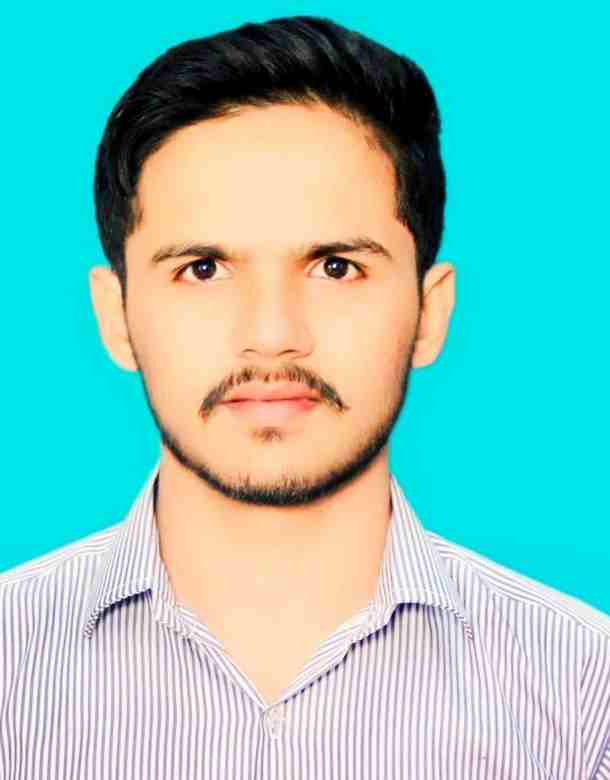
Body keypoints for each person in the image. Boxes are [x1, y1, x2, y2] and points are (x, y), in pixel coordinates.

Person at [1, 15, 608, 779]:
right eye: (202, 269)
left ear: (431, 312)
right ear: (116, 317)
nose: (271, 336)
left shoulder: (584, 691)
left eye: (335, 267)